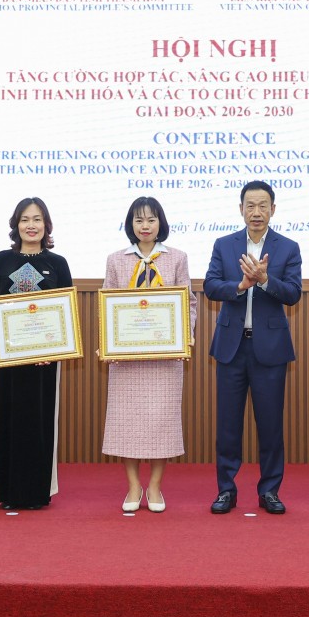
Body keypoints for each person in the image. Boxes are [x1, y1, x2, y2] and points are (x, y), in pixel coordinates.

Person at [203, 180, 302, 515]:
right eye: (250, 205)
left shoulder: (288, 247)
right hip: (232, 348)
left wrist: (264, 281)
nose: (256, 212)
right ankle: (226, 490)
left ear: (273, 209)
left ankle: (270, 491)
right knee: (228, 425)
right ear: (241, 209)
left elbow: (293, 293)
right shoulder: (224, 244)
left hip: (270, 350)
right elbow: (211, 286)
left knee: (271, 424)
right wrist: (241, 285)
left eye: (263, 205)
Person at [100, 197, 196, 513]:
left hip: (165, 358)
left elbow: (189, 303)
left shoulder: (177, 258)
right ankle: (132, 486)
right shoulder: (116, 260)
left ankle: (154, 486)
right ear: (130, 224)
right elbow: (107, 306)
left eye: (151, 220)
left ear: (160, 223)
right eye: (139, 220)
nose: (145, 226)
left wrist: (186, 337)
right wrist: (108, 341)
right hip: (127, 358)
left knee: (161, 422)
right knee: (126, 421)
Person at [0, 197, 72, 509]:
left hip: (44, 361)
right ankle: (7, 490)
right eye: (24, 219)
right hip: (7, 357)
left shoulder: (57, 263)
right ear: (15, 224)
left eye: (37, 219)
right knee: (6, 418)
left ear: (46, 225)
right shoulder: (1, 260)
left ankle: (36, 491)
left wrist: (56, 347)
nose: (30, 225)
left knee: (39, 421)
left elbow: (66, 310)